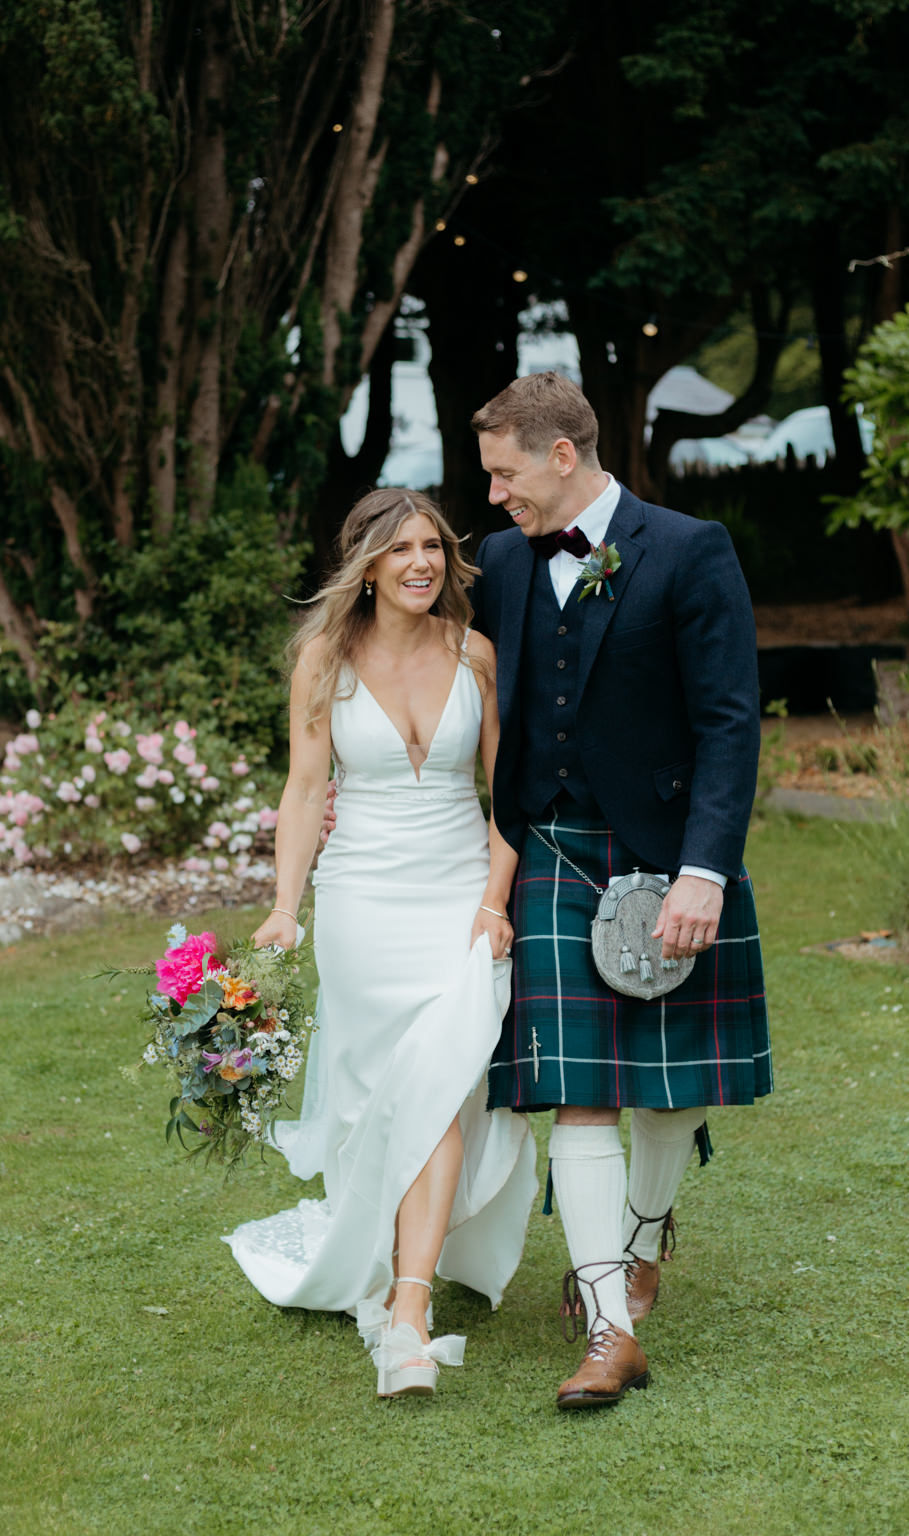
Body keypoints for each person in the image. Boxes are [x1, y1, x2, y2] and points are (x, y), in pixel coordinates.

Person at [469, 371, 772, 1409]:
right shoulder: (504, 563)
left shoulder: (688, 550)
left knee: (662, 1085)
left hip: (660, 850)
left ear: (562, 455)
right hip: (551, 849)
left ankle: (643, 1238)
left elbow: (730, 720)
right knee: (580, 1087)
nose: (496, 496)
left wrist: (704, 871)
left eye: (505, 473)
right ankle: (609, 1327)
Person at [222, 488, 537, 1400]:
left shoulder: (474, 655)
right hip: (359, 898)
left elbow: (506, 796)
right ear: (365, 564)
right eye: (400, 549)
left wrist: (492, 901)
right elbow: (301, 789)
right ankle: (385, 1264)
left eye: (433, 546)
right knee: (376, 1094)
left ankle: (408, 1317)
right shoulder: (325, 661)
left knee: (443, 1082)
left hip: (454, 896)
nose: (421, 564)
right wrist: (286, 906)